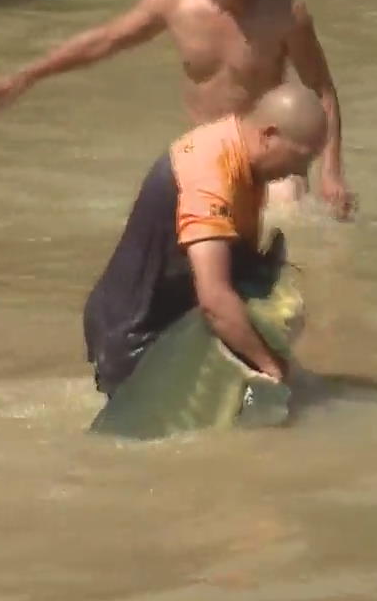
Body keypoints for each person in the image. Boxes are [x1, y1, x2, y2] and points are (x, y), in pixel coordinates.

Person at [0, 0, 353, 218]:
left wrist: (331, 171)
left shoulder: (287, 13)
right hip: (205, 153)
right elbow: (104, 41)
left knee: (295, 223)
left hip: (269, 158)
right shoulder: (175, 2)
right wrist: (28, 75)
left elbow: (321, 89)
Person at [83, 83, 326, 396]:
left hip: (173, 316)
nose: (301, 171)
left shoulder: (240, 153)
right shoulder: (210, 175)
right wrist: (273, 367)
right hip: (133, 334)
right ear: (269, 135)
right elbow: (215, 301)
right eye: (301, 157)